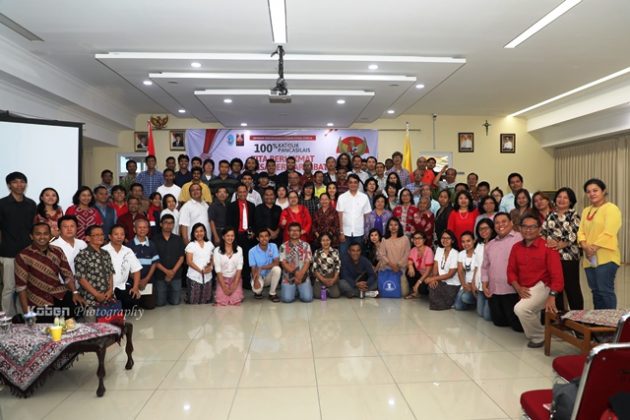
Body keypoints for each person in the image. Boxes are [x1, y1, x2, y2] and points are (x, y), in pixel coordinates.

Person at [508, 214, 564, 348]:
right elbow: (510, 271)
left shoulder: (548, 247)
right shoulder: (516, 247)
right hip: (525, 287)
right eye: (525, 227)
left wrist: (552, 297)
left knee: (520, 309)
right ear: (520, 229)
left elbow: (557, 275)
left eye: (532, 227)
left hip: (543, 286)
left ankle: (539, 336)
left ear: (539, 229)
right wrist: (517, 288)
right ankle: (542, 332)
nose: (528, 230)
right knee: (530, 310)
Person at [15, 223, 83, 322]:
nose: (42, 237)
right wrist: (27, 314)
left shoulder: (57, 251)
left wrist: (75, 292)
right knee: (48, 325)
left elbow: (67, 275)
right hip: (37, 300)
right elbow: (21, 287)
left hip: (58, 294)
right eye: (38, 234)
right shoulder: (23, 256)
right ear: (31, 236)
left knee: (78, 308)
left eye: (45, 234)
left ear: (50, 235)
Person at [577, 178, 622, 310]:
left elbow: (609, 232)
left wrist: (593, 248)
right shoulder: (586, 211)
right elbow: (580, 231)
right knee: (595, 292)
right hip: (589, 259)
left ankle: (611, 321)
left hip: (606, 257)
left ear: (603, 191)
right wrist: (584, 246)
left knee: (605, 291)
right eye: (588, 191)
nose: (592, 194)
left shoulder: (611, 209)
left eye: (595, 190)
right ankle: (598, 320)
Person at [541, 187, 583, 310]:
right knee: (556, 288)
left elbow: (575, 233)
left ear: (571, 201)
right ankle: (560, 316)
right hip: (552, 257)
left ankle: (577, 316)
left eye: (565, 198)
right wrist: (547, 241)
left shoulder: (574, 215)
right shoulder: (550, 215)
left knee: (572, 288)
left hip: (569, 257)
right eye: (559, 197)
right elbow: (543, 232)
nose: (561, 200)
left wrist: (560, 244)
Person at [480, 212, 523, 331]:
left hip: (512, 290)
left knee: (517, 327)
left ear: (511, 223)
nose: (500, 225)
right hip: (494, 290)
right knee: (499, 323)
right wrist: (484, 284)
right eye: (497, 223)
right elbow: (485, 267)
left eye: (504, 221)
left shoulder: (520, 238)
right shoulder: (490, 244)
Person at [73, 225, 114, 319]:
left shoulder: (106, 253)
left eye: (101, 234)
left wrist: (110, 290)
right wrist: (97, 295)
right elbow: (81, 279)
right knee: (93, 326)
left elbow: (110, 273)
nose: (100, 237)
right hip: (90, 299)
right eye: (96, 235)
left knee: (111, 325)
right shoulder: (82, 255)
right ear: (88, 238)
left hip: (108, 297)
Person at [103, 224, 142, 310]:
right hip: (106, 287)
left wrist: (135, 287)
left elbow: (136, 270)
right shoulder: (103, 250)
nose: (119, 237)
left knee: (134, 301)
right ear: (110, 236)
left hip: (121, 286)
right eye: (116, 234)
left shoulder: (128, 251)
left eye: (122, 234)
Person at [226, 184, 256, 288]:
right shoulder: (231, 206)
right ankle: (235, 282)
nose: (242, 194)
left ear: (247, 192)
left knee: (247, 259)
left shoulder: (252, 205)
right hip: (235, 236)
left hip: (248, 236)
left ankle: (246, 282)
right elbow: (228, 222)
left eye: (244, 191)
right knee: (235, 259)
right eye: (240, 192)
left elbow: (254, 222)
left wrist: (253, 232)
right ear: (237, 193)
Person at [127, 219, 159, 309]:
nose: (142, 229)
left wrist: (146, 279)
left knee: (150, 306)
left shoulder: (152, 244)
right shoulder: (129, 245)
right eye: (139, 227)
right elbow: (126, 267)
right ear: (134, 229)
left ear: (148, 229)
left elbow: (154, 263)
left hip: (148, 280)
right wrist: (137, 281)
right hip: (133, 281)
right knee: (133, 306)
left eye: (145, 227)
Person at [153, 214, 185, 306]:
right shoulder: (154, 239)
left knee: (175, 302)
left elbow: (181, 258)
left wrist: (172, 272)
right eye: (166, 223)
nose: (168, 225)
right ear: (161, 224)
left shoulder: (178, 239)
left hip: (176, 274)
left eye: (171, 223)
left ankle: (170, 293)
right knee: (160, 303)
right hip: (160, 274)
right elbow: (154, 259)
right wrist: (167, 272)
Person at [337, 174, 372, 255]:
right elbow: (340, 216)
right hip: (345, 233)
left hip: (359, 232)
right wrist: (341, 232)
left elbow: (367, 216)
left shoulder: (364, 197)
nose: (353, 184)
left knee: (358, 256)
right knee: (344, 255)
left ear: (358, 184)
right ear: (347, 184)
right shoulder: (342, 197)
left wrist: (366, 233)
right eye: (351, 182)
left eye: (355, 182)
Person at [425, 230, 460, 310]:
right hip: (441, 280)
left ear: (452, 240)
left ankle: (449, 302)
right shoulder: (439, 250)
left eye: (448, 238)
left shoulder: (455, 253)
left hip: (452, 284)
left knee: (433, 288)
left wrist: (433, 278)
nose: (445, 240)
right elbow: (435, 267)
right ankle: (443, 301)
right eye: (443, 238)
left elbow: (450, 274)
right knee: (431, 285)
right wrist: (434, 279)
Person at [279, 223, 313, 303]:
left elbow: (307, 261)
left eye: (297, 230)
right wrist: (296, 273)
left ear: (300, 232)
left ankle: (297, 289)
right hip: (288, 277)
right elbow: (283, 263)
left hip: (303, 276)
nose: (294, 232)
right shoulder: (283, 246)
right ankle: (295, 289)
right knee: (287, 299)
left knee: (307, 298)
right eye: (292, 230)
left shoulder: (306, 245)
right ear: (288, 232)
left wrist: (301, 274)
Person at [376, 217, 411, 296]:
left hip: (400, 268)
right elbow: (382, 254)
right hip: (387, 267)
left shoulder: (405, 239)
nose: (393, 227)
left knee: (404, 293)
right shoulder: (384, 239)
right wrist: (391, 265)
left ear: (399, 226)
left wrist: (398, 265)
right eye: (391, 225)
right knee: (385, 292)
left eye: (395, 225)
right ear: (388, 227)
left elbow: (407, 253)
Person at [213, 227, 244, 306]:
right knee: (221, 302)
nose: (230, 238)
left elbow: (239, 268)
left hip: (235, 278)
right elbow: (218, 270)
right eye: (228, 236)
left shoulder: (239, 249)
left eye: (232, 236)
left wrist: (234, 285)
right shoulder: (217, 250)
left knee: (235, 301)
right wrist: (224, 287)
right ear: (223, 237)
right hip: (222, 279)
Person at [249, 228, 281, 302]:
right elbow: (253, 269)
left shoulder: (273, 246)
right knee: (257, 290)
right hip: (258, 275)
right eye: (261, 236)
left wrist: (261, 267)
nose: (264, 238)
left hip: (269, 275)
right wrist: (256, 280)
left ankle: (272, 293)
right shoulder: (252, 251)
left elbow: (276, 263)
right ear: (257, 238)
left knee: (277, 269)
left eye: (266, 236)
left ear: (269, 237)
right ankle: (258, 292)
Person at [185, 223, 214, 304]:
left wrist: (210, 267)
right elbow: (189, 261)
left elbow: (212, 259)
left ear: (205, 232)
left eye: (201, 231)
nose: (199, 233)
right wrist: (200, 270)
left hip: (207, 275)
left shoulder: (209, 244)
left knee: (206, 301)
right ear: (193, 233)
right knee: (193, 301)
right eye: (196, 231)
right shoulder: (191, 245)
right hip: (194, 276)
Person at [473, 219, 495, 321]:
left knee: (487, 316)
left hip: (490, 283)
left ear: (492, 229)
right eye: (481, 229)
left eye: (486, 228)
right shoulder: (479, 244)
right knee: (480, 313)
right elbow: (476, 265)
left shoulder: (495, 243)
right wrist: (474, 282)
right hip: (479, 282)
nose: (483, 231)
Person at [453, 231, 478, 311]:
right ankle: (472, 301)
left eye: (468, 241)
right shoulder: (461, 254)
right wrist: (464, 285)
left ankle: (477, 301)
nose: (466, 244)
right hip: (465, 284)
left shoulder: (478, 253)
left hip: (476, 284)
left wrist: (472, 284)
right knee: (458, 307)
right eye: (463, 242)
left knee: (465, 297)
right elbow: (460, 271)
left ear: (474, 241)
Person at [312, 232, 342, 299]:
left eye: (327, 240)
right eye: (323, 240)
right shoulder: (317, 252)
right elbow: (314, 269)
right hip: (320, 278)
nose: (325, 242)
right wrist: (323, 280)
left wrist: (334, 279)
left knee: (336, 295)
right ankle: (325, 289)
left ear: (330, 241)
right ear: (320, 242)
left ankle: (328, 289)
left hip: (332, 277)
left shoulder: (335, 251)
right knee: (317, 295)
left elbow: (338, 267)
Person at [405, 231, 434, 299]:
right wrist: (410, 266)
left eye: (419, 238)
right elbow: (410, 261)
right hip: (420, 274)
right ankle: (415, 292)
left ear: (424, 240)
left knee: (422, 289)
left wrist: (418, 283)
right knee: (409, 271)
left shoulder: (428, 251)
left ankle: (418, 290)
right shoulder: (413, 250)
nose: (417, 240)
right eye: (415, 238)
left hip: (428, 276)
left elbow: (428, 272)